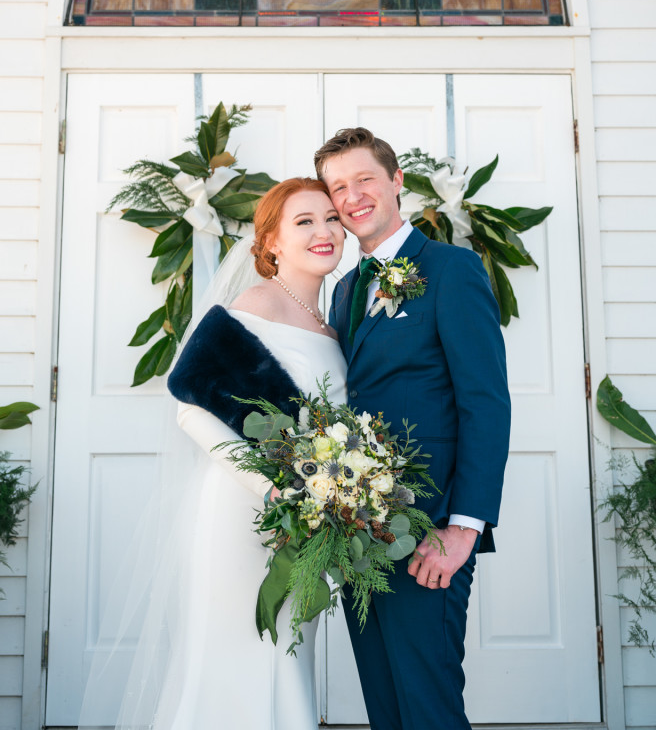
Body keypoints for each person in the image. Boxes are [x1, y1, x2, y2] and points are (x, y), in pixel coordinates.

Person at [82, 177, 346, 730]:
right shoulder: (255, 304)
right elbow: (192, 408)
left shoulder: (336, 322)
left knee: (289, 648)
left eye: (332, 219)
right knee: (234, 652)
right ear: (271, 242)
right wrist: (271, 489)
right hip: (243, 509)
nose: (324, 232)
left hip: (310, 516)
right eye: (304, 222)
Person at [314, 128, 511, 730]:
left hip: (431, 528)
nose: (353, 196)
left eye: (364, 178)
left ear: (397, 181)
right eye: (338, 187)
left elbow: (485, 402)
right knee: (386, 704)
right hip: (359, 529)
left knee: (428, 706)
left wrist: (464, 527)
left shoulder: (451, 268)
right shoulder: (345, 289)